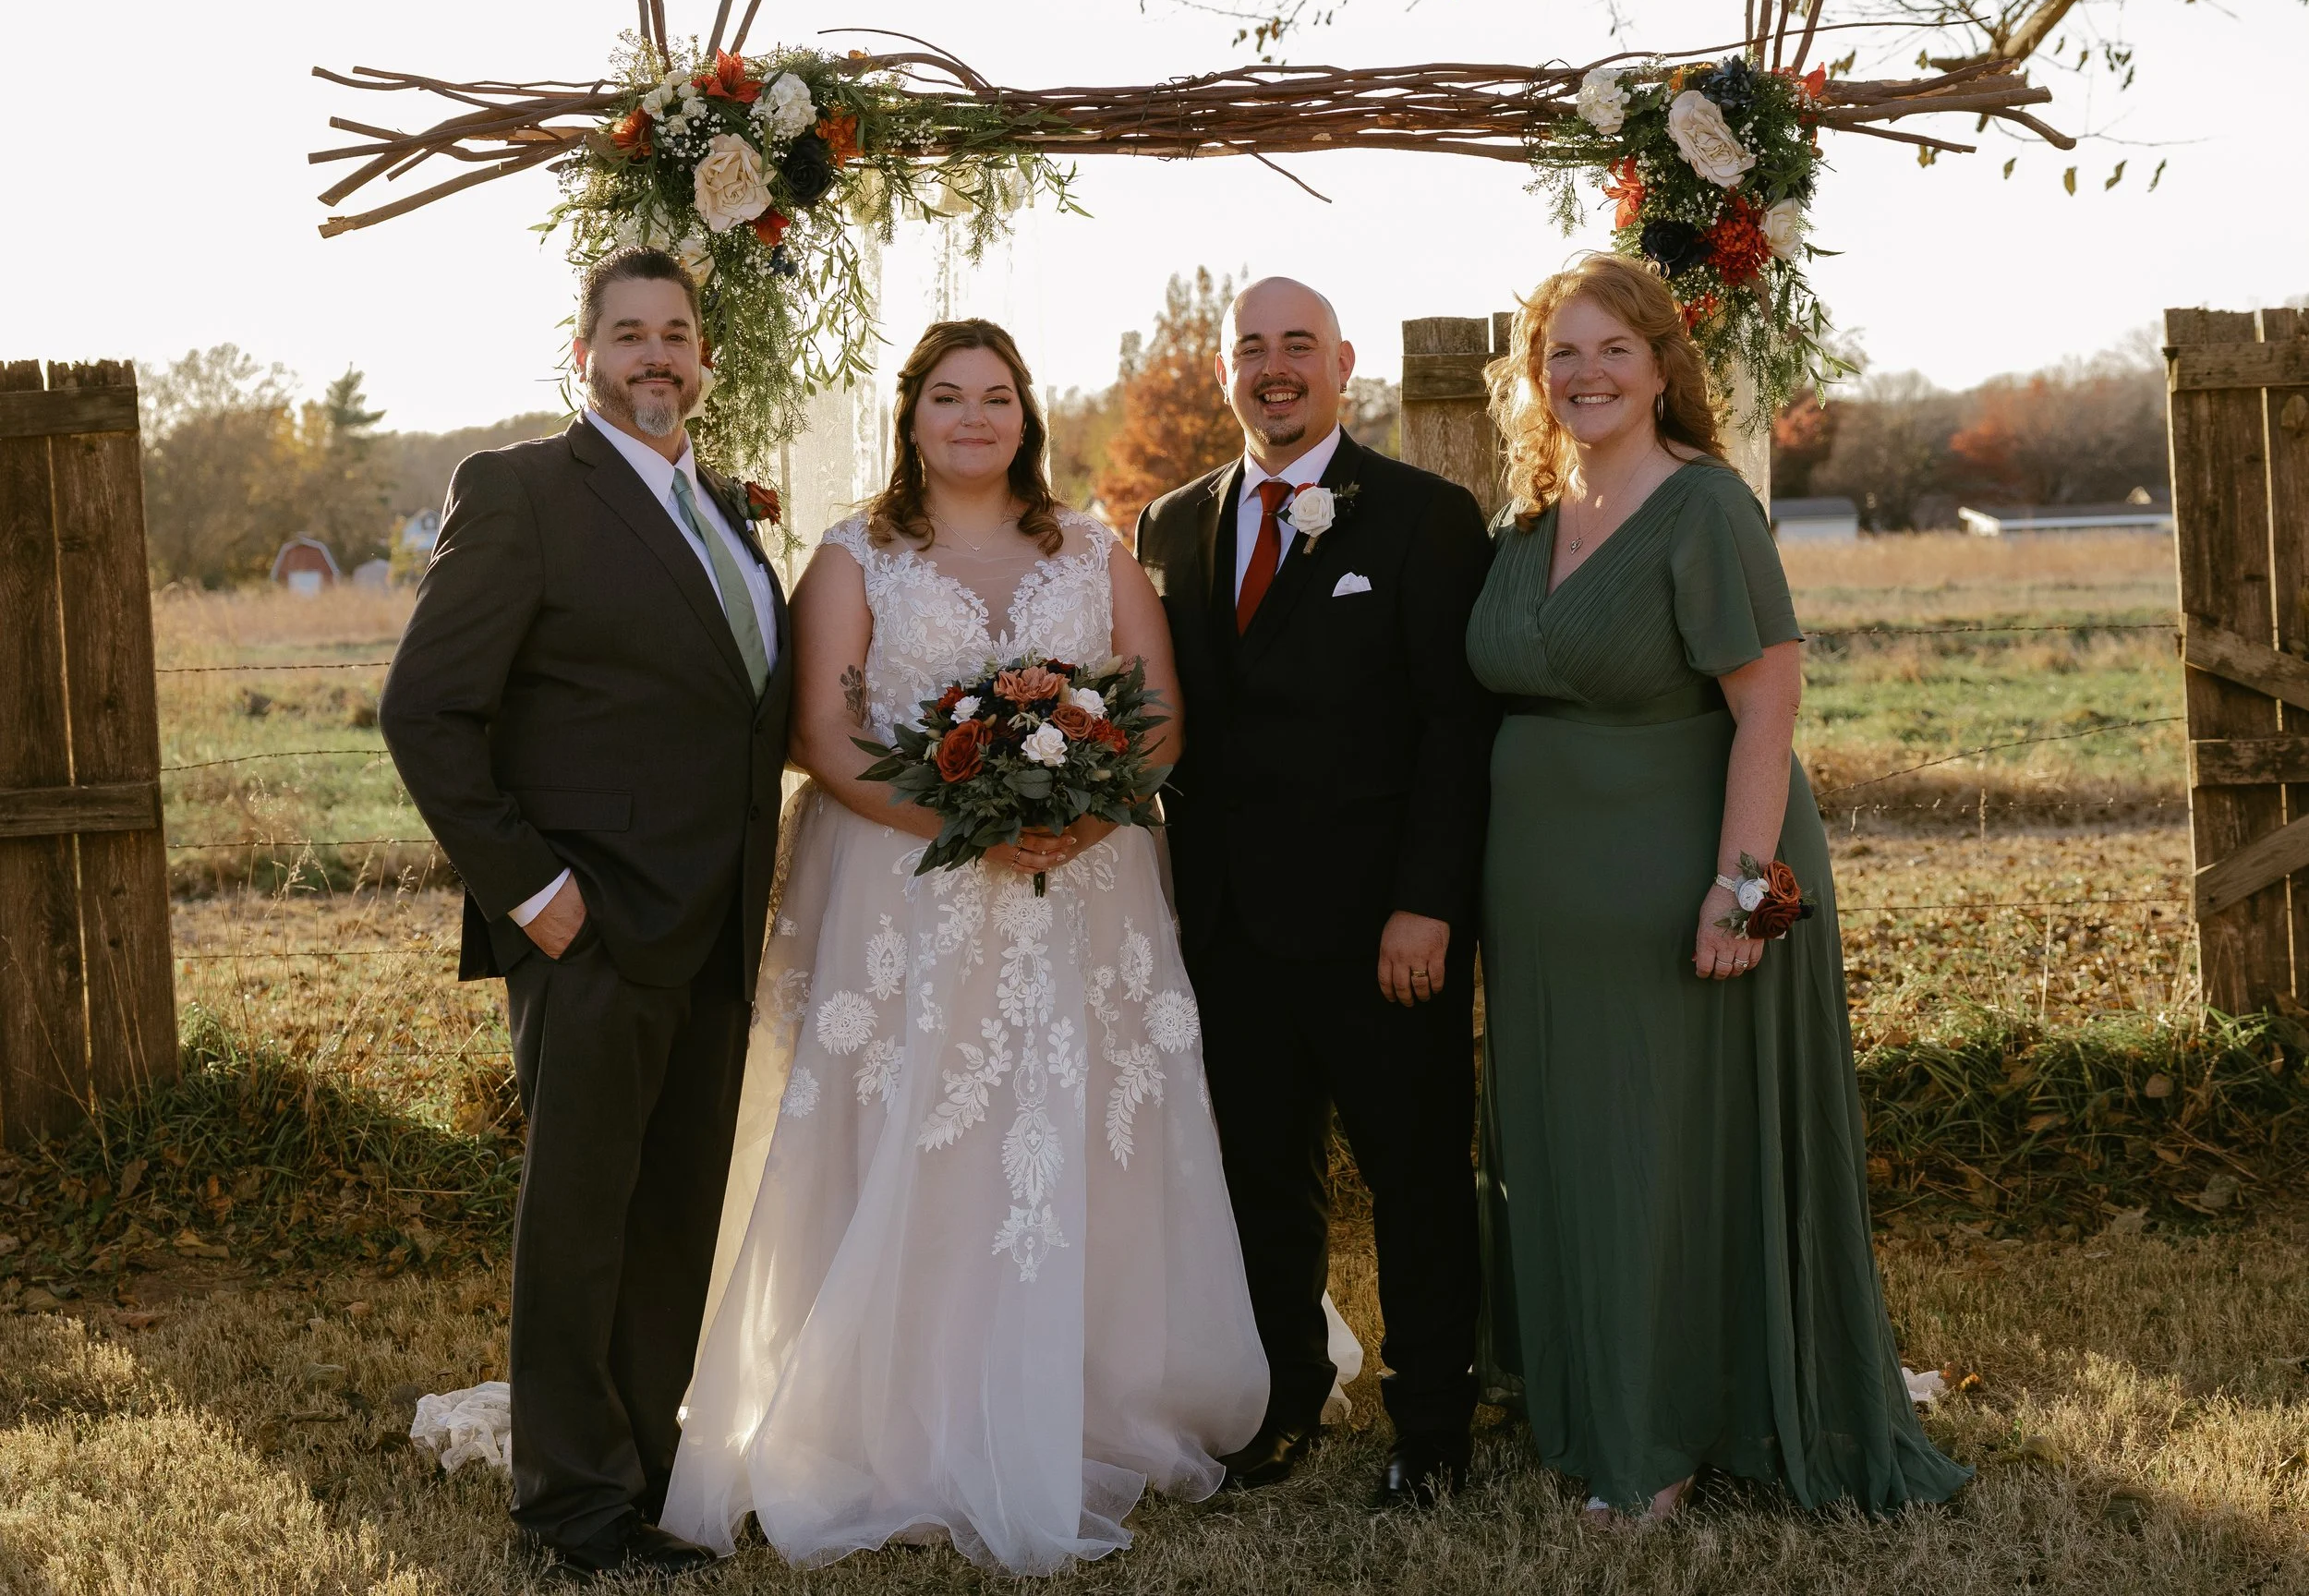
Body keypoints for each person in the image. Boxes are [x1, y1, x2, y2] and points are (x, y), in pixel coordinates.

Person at [659, 320, 1267, 1575]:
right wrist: (967, 827)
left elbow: (1158, 715)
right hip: (906, 895)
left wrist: (1085, 813)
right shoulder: (855, 555)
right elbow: (823, 735)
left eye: (997, 397)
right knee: (915, 1126)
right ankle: (896, 1418)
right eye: (949, 397)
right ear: (912, 418)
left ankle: (1093, 1398)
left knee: (1078, 1126)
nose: (974, 417)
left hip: (1084, 888)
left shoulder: (1095, 549)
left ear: (1026, 417)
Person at [1465, 253, 1971, 1520]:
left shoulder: (1704, 507)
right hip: (1541, 899)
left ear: (1661, 368)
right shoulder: (1530, 515)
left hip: (1679, 876)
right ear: (1533, 374)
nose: (1586, 374)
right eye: (1562, 352)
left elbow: (1769, 700)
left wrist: (1742, 888)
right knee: (1572, 1148)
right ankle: (1591, 1400)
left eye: (1613, 350)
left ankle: (1665, 1439)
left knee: (1664, 1152)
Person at [380, 247, 792, 1578]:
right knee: (579, 1222)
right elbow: (424, 710)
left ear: (705, 358)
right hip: (593, 927)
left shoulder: (722, 509)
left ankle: (652, 1474)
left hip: (717, 928)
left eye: (676, 332)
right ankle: (571, 1502)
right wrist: (533, 892)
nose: (654, 354)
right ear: (585, 354)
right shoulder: (523, 493)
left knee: (672, 1220)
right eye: (628, 333)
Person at [1134, 278, 1497, 1507]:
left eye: (1300, 346)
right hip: (1226, 924)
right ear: (1225, 371)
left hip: (1383, 926)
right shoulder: (1170, 524)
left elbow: (1455, 729)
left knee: (1414, 1176)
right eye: (1252, 348)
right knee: (1259, 1177)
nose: (1275, 367)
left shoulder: (1425, 518)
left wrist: (1428, 902)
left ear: (1344, 366)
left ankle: (1432, 1422)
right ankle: (1283, 1400)